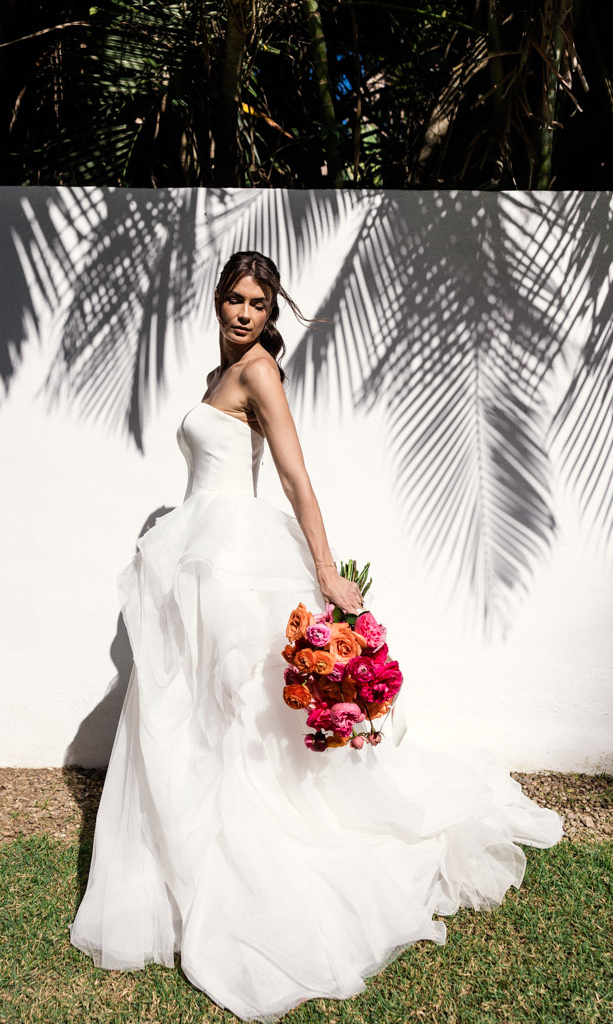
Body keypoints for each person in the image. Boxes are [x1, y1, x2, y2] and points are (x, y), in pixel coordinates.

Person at [69, 251, 562, 1021]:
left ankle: (247, 880)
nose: (242, 313)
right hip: (200, 556)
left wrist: (327, 574)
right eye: (233, 299)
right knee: (195, 721)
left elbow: (295, 477)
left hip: (232, 561)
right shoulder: (216, 376)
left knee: (238, 725)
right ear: (217, 300)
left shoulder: (258, 371)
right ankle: (184, 870)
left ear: (271, 315)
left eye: (257, 303)